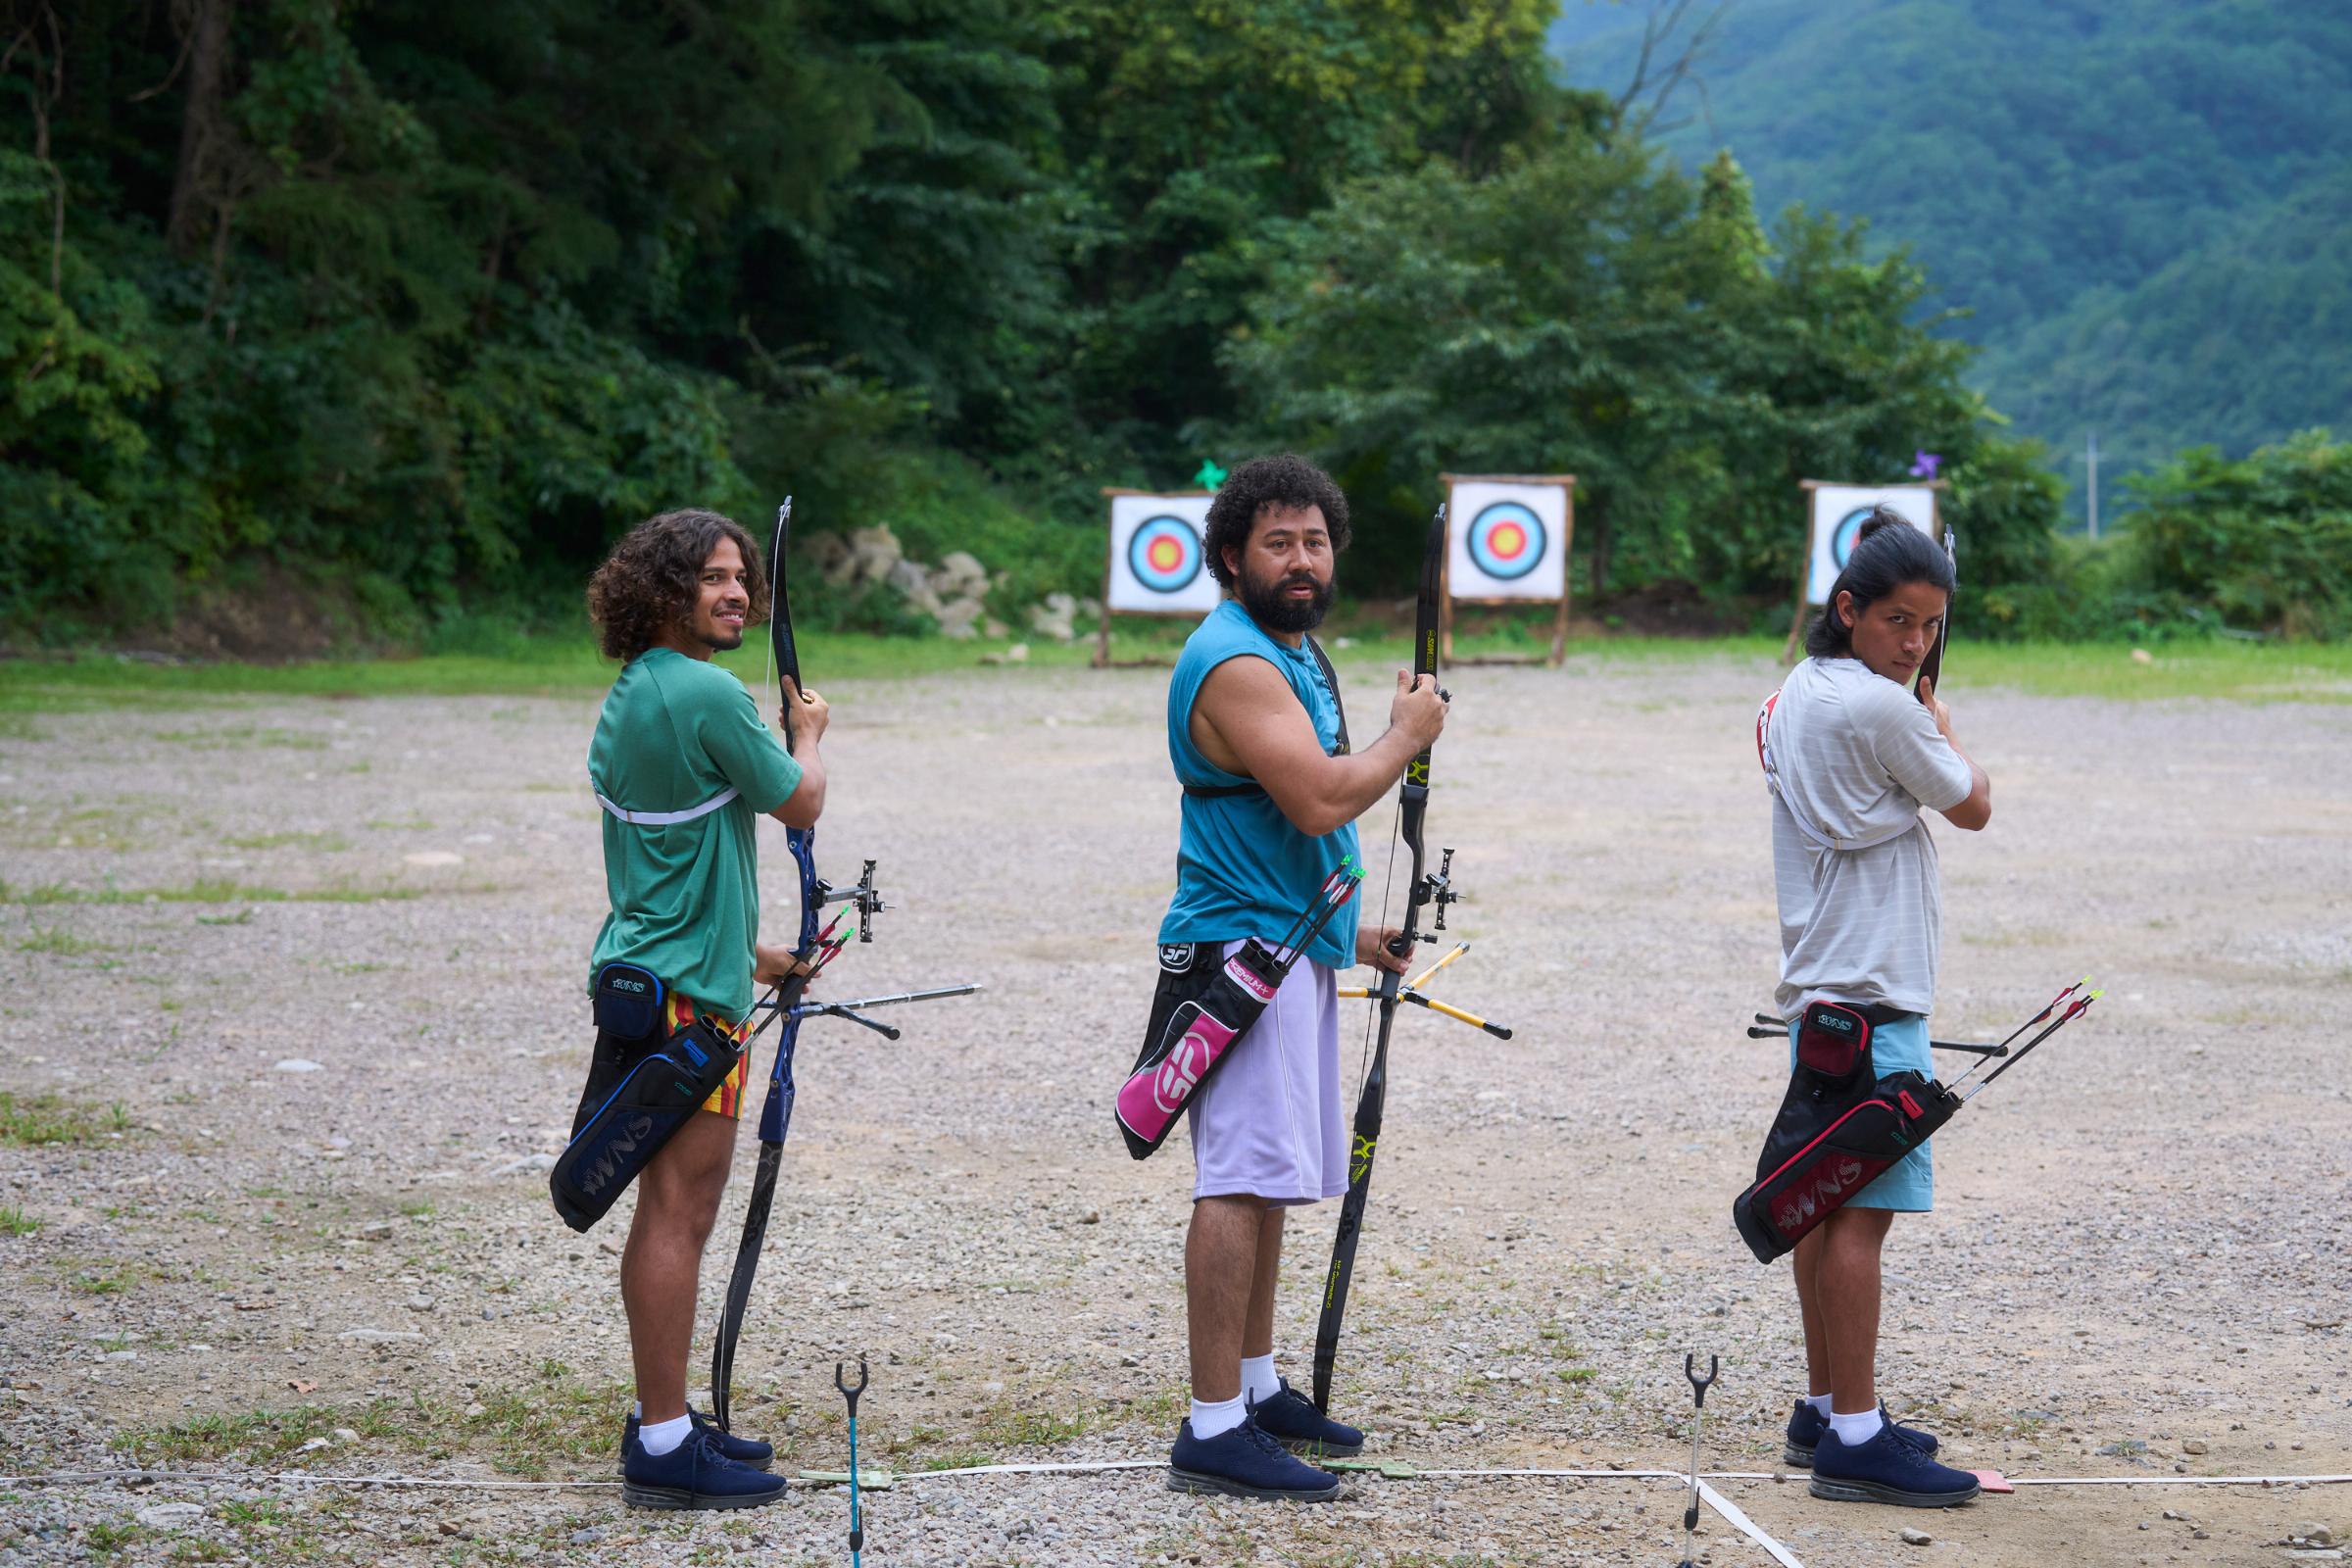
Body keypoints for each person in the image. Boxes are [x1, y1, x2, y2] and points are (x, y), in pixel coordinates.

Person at [1152, 455, 1450, 1500]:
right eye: (1277, 541)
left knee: (1273, 1174)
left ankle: (1256, 1381)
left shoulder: (1292, 648)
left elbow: (1284, 829)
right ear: (1231, 555)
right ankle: (1213, 1422)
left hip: (1288, 944)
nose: (1301, 558)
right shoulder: (1236, 659)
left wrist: (1351, 939)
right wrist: (1404, 734)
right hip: (1239, 957)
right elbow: (1322, 799)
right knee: (1237, 1177)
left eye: (1316, 540)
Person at [578, 508, 828, 1510]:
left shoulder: (634, 690)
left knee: (664, 1211)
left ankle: (666, 1415)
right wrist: (806, 734)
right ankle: (666, 1443)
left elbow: (668, 859)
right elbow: (800, 801)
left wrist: (756, 952)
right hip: (690, 1009)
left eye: (742, 579)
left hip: (649, 976)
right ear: (664, 589)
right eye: (712, 579)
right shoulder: (712, 694)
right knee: (680, 1214)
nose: (736, 593)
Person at [1758, 509, 1992, 1508]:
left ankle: (1824, 1406)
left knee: (1820, 1199)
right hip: (1879, 993)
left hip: (1825, 988)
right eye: (1898, 620)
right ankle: (1856, 1434)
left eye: (1931, 625)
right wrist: (1938, 723)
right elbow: (1975, 801)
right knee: (1860, 1217)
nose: (1915, 644)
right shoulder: (1887, 710)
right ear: (1846, 607)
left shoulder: (1792, 694)